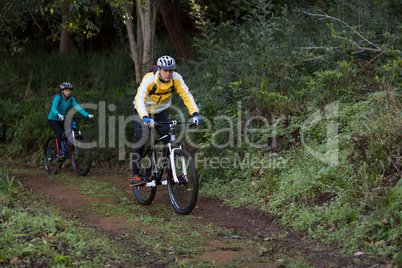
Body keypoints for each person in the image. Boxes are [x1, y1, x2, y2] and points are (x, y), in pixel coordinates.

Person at [131, 55, 201, 186]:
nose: (168, 73)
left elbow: (186, 95)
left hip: (159, 111)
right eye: (165, 70)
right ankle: (135, 175)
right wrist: (145, 117)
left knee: (168, 138)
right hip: (142, 111)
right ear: (159, 69)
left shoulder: (176, 79)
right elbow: (139, 99)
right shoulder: (150, 79)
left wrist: (195, 113)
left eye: (171, 70)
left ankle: (171, 174)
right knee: (141, 138)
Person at [47, 82, 94, 161]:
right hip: (53, 119)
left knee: (69, 132)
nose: (68, 92)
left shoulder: (71, 99)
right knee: (59, 132)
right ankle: (58, 153)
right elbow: (53, 108)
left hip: (63, 118)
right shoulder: (58, 98)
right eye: (66, 90)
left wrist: (87, 114)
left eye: (69, 90)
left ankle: (66, 150)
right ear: (62, 91)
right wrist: (57, 114)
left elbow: (77, 107)